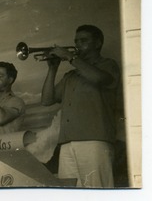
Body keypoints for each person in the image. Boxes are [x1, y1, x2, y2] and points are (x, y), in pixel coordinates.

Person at [40, 25, 121, 188]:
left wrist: (70, 57)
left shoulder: (107, 65)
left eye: (83, 40)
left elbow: (98, 78)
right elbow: (47, 100)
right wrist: (52, 69)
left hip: (94, 141)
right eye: (76, 41)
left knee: (98, 192)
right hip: (67, 143)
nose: (77, 44)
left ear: (98, 43)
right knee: (70, 193)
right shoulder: (71, 75)